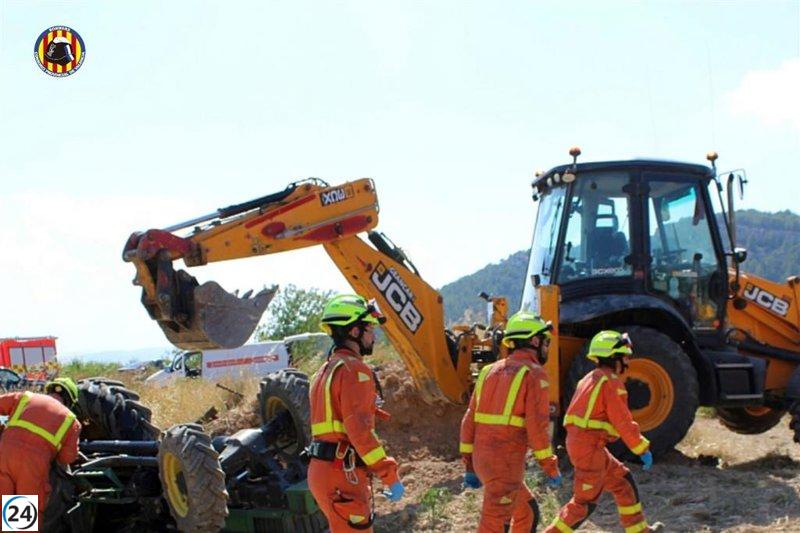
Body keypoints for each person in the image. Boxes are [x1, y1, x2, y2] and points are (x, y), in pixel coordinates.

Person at [546, 330, 661, 533]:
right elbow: (623, 421)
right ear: (614, 357)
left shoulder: (588, 379)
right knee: (583, 504)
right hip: (590, 448)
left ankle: (639, 531)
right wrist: (641, 448)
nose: (627, 361)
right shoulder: (611, 383)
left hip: (586, 446)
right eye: (625, 356)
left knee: (623, 482)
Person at [306, 294, 404, 532]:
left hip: (323, 471)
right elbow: (359, 432)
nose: (373, 334)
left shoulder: (324, 371)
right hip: (342, 473)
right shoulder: (354, 370)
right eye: (369, 327)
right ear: (353, 331)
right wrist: (389, 475)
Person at [460, 311, 561, 532]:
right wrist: (550, 466)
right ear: (534, 341)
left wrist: (469, 464)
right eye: (546, 342)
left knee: (527, 512)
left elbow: (469, 421)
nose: (547, 347)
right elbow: (538, 430)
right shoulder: (534, 374)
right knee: (495, 525)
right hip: (504, 465)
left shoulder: (488, 371)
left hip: (483, 462)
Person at [0, 377, 81, 508]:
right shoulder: (71, 420)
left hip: (4, 457)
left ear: (49, 390)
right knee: (22, 512)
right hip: (33, 465)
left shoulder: (24, 397)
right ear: (70, 401)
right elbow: (67, 458)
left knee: (3, 501)